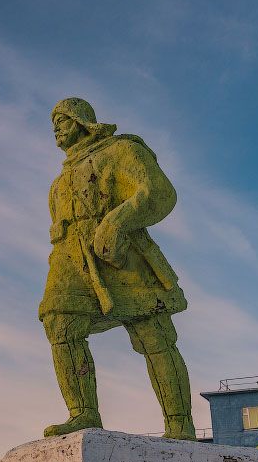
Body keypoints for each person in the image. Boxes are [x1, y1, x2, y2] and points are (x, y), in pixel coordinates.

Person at [40, 97, 195, 440]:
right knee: (59, 323)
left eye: (61, 121)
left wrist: (117, 221)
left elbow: (158, 191)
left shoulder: (121, 150)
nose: (55, 129)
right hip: (72, 261)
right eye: (53, 123)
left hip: (122, 256)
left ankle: (179, 425)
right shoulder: (58, 184)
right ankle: (83, 414)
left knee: (153, 333)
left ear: (81, 121)